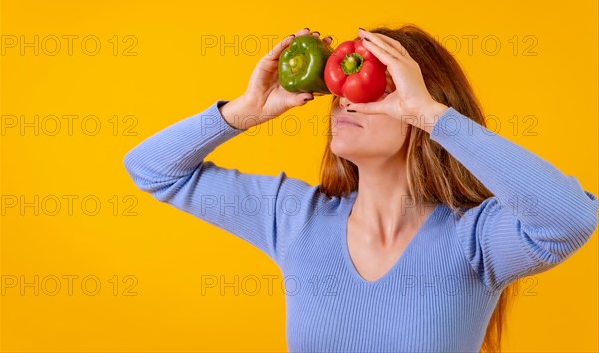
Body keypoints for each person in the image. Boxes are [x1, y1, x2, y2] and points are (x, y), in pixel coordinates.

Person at [123, 25, 599, 352]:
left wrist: (432, 117)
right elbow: (152, 169)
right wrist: (245, 111)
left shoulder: (475, 240)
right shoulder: (294, 218)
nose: (347, 97)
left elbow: (571, 218)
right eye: (344, 83)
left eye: (378, 88)